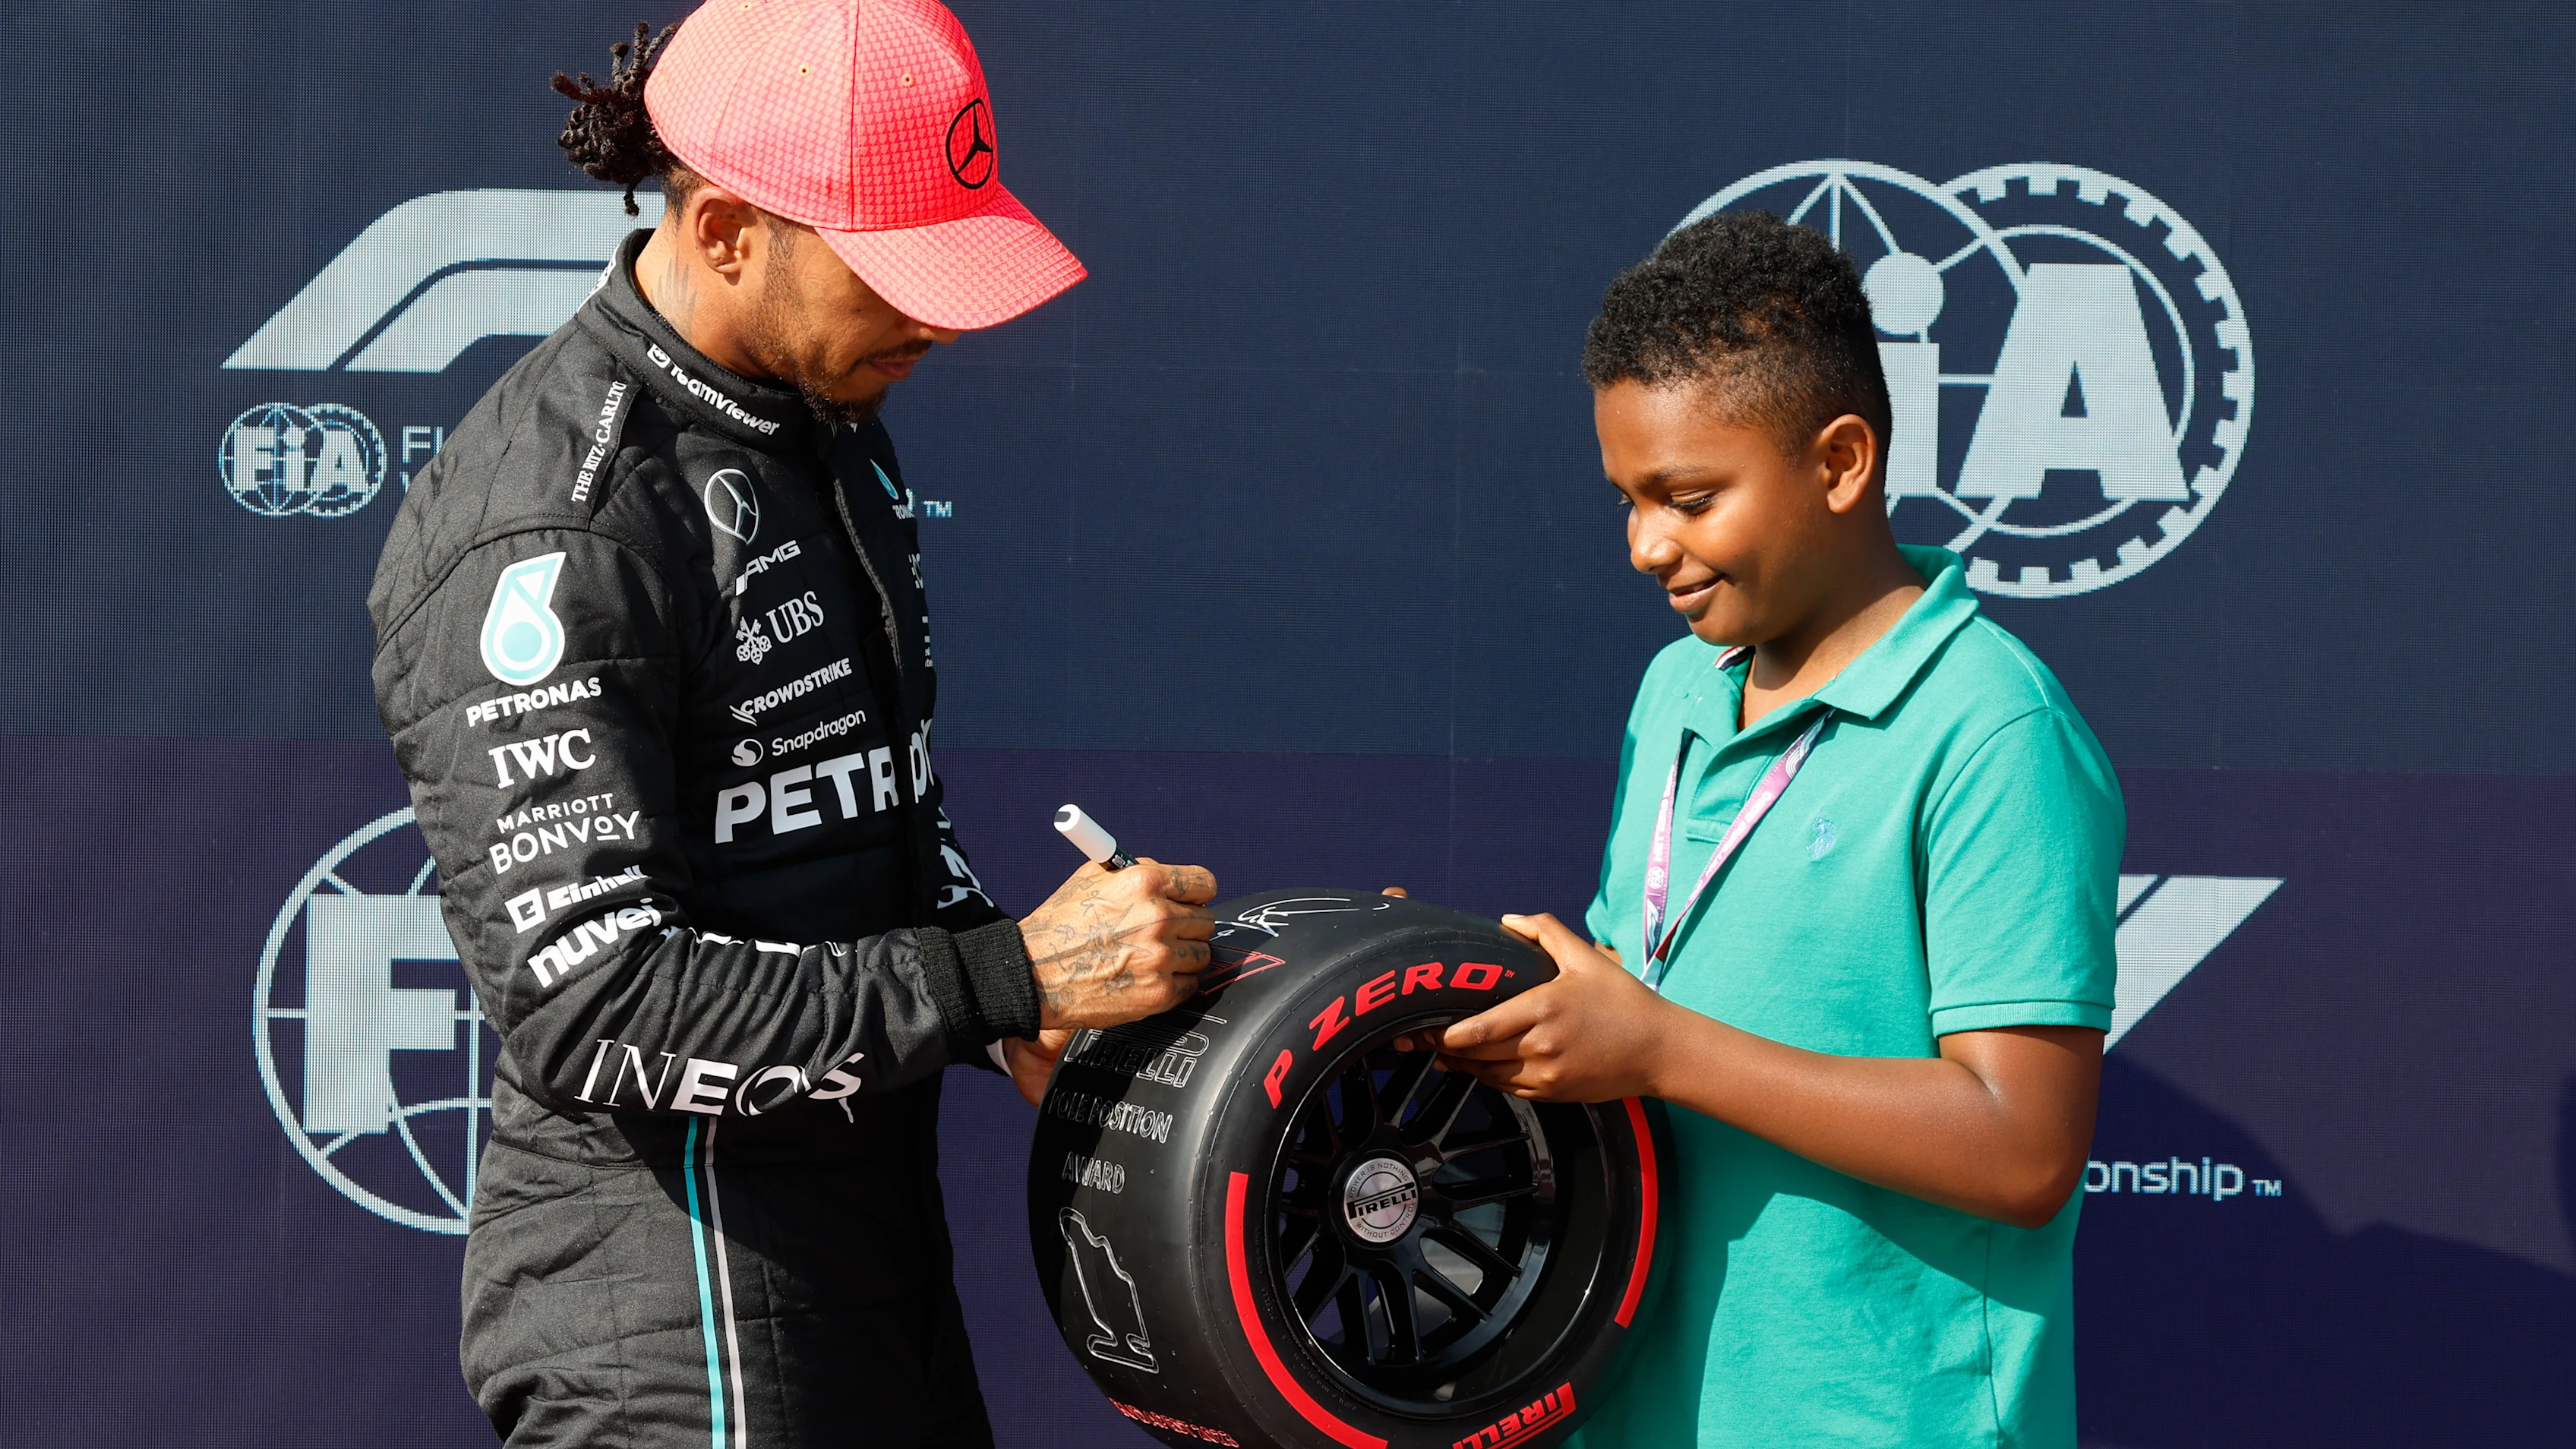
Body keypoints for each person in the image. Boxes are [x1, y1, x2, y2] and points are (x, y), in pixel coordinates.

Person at [366, 4, 1213, 1444]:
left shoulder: (816, 412)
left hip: (862, 1267)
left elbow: (866, 797)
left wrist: (1021, 990)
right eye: (893, 269)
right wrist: (997, 979)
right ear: (727, 228)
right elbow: (594, 1004)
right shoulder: (553, 525)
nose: (936, 315)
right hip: (667, 1307)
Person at [1410, 212, 2122, 1447]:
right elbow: (1654, 994)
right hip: (1634, 1409)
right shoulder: (1676, 689)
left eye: (1687, 497)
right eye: (1627, 500)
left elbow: (2023, 1149)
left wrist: (1661, 1046)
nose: (1644, 546)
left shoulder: (1994, 729)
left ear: (1841, 461)